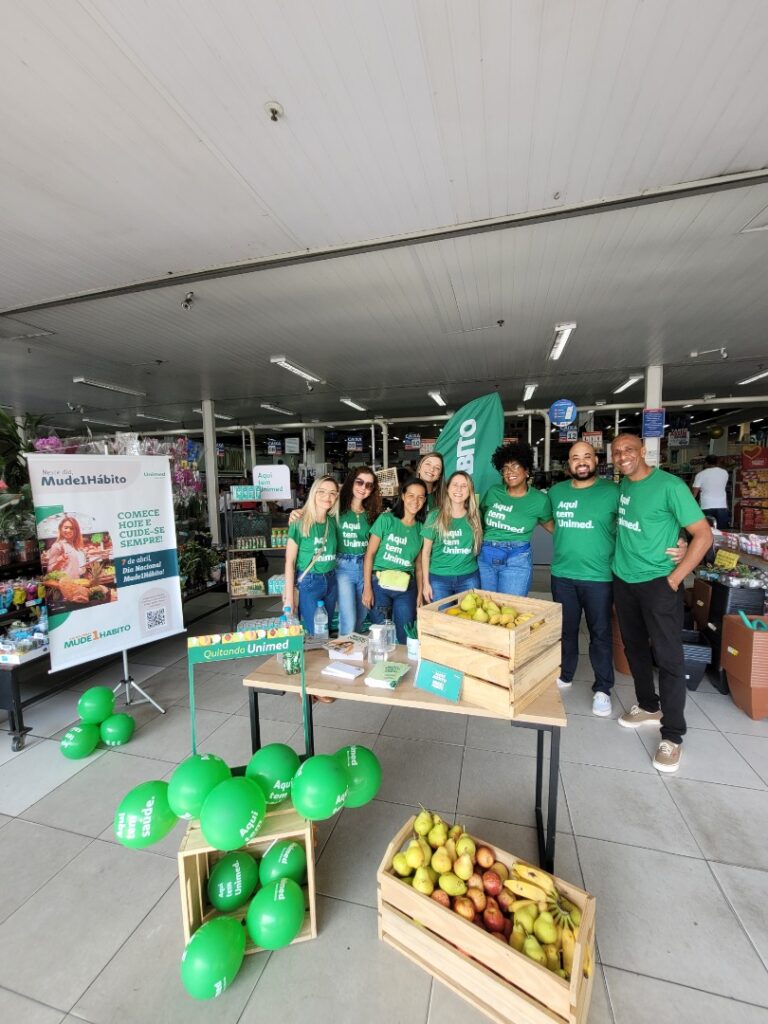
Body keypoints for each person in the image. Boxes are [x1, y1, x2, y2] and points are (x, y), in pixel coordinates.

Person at [611, 434, 712, 774]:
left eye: (628, 450)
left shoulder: (670, 485)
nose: (622, 456)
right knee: (635, 648)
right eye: (616, 452)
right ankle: (648, 705)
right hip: (624, 580)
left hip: (658, 583)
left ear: (643, 451)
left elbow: (703, 533)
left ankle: (672, 736)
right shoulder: (624, 486)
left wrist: (676, 576)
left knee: (669, 658)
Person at [543, 442, 619, 717]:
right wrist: (565, 536)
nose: (582, 462)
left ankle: (602, 688)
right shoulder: (556, 492)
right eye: (576, 458)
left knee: (600, 633)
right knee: (566, 630)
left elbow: (637, 523)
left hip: (599, 576)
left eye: (587, 456)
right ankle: (565, 674)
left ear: (596, 460)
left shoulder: (613, 491)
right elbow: (547, 520)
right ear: (569, 465)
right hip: (562, 575)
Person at [478, 442, 550, 596]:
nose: (509, 471)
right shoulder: (493, 492)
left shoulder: (539, 500)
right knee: (484, 608)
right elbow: (478, 517)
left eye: (515, 466)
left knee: (510, 611)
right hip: (486, 557)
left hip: (517, 559)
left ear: (527, 470)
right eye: (505, 468)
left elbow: (554, 528)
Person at [363, 476, 427, 643]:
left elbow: (419, 566)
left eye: (421, 497)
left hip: (406, 588)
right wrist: (367, 588)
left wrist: (420, 594)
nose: (416, 501)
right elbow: (369, 555)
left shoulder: (422, 528)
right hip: (379, 584)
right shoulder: (386, 520)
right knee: (381, 637)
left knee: (405, 636)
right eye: (411, 495)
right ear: (403, 496)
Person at [283, 475, 339, 635]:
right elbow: (289, 562)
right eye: (321, 491)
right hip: (309, 582)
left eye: (332, 493)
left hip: (331, 580)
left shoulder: (333, 522)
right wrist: (289, 597)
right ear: (313, 492)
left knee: (325, 630)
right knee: (317, 632)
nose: (327, 497)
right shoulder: (299, 522)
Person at [421, 471, 483, 603]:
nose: (459, 489)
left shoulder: (475, 516)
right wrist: (426, 583)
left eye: (464, 486)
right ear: (448, 488)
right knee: (442, 621)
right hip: (439, 579)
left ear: (470, 490)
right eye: (455, 485)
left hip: (469, 578)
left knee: (467, 621)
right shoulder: (434, 516)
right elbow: (425, 553)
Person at [692, 454, 730, 529]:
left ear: (706, 463)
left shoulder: (700, 474)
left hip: (706, 506)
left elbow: (694, 493)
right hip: (722, 506)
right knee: (721, 531)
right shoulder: (724, 473)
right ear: (717, 462)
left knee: (707, 530)